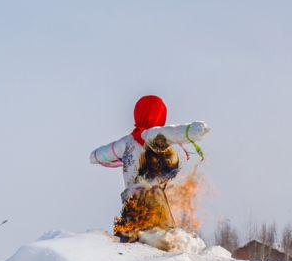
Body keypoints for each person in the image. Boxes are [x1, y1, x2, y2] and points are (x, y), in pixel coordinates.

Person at [89, 95, 210, 242]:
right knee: (160, 238)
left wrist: (94, 156)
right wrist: (191, 130)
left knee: (130, 237)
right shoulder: (151, 135)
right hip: (154, 201)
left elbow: (104, 153)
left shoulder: (126, 142)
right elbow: (172, 133)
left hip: (131, 201)